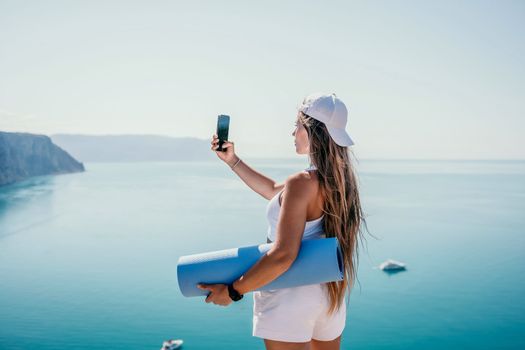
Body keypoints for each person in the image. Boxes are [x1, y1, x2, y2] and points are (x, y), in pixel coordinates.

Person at [198, 92, 369, 350]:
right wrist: (233, 160)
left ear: (315, 132)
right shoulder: (341, 182)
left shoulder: (302, 182)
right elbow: (273, 191)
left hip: (290, 297)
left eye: (297, 126)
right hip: (329, 296)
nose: (293, 134)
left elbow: (283, 255)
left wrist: (233, 291)